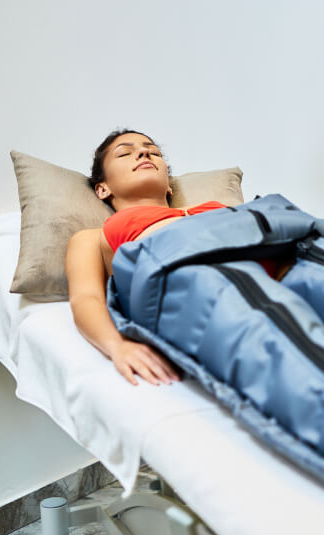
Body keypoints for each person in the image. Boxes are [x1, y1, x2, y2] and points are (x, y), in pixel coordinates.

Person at [65, 129, 290, 387]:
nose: (144, 152)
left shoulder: (216, 209)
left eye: (153, 151)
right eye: (125, 153)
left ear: (168, 185)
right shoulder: (93, 238)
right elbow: (85, 298)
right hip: (222, 295)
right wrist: (117, 346)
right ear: (102, 188)